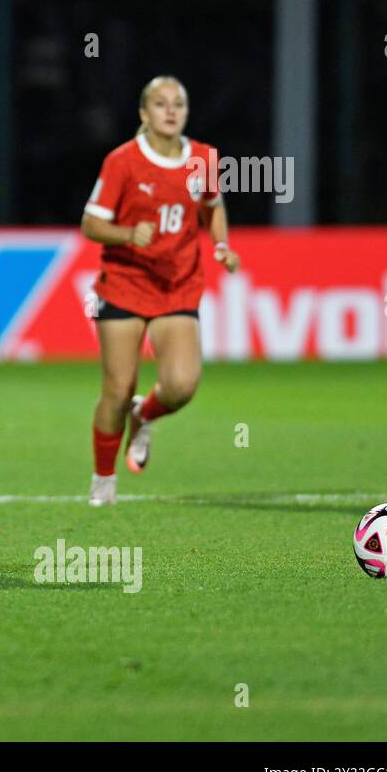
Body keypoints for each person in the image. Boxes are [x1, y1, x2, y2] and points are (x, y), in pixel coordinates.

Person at [80, 75, 241, 506]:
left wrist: (221, 245)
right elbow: (91, 224)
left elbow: (213, 207)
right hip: (125, 284)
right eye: (161, 103)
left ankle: (144, 413)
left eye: (178, 104)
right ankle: (103, 478)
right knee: (117, 389)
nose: (171, 111)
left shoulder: (204, 158)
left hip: (177, 286)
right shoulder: (123, 161)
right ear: (144, 113)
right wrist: (130, 233)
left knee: (181, 385)